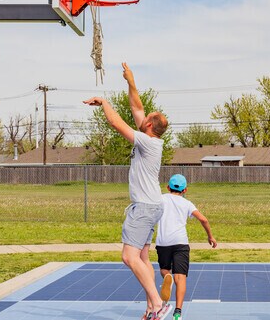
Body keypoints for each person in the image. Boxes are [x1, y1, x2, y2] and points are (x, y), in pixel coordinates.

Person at [83, 62, 171, 320]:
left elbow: (115, 121)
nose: (143, 117)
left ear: (149, 126)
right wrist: (130, 80)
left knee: (128, 256)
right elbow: (136, 106)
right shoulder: (151, 136)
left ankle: (158, 304)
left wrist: (104, 102)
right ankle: (150, 308)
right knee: (142, 258)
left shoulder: (147, 141)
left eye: (147, 118)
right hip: (151, 205)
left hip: (144, 207)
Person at [156, 174, 217, 320]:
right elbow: (203, 219)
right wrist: (210, 236)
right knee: (181, 277)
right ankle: (177, 312)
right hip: (180, 243)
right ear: (185, 190)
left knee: (164, 270)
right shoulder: (187, 204)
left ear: (167, 187)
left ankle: (167, 277)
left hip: (163, 242)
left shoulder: (160, 199)